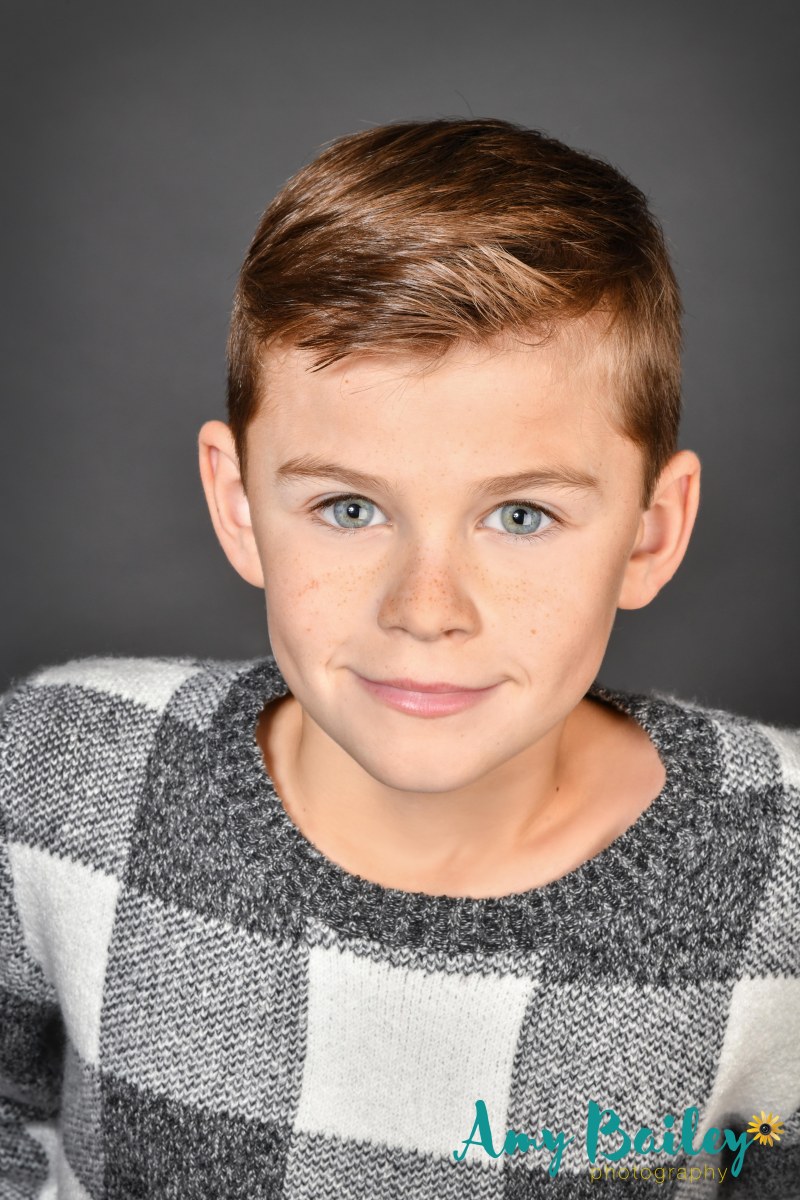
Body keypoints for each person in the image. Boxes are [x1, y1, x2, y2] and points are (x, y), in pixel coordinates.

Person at [1, 118, 797, 1199]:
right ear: (239, 505)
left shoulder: (784, 875)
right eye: (347, 507)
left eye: (520, 516)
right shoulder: (57, 780)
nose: (425, 611)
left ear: (649, 535)